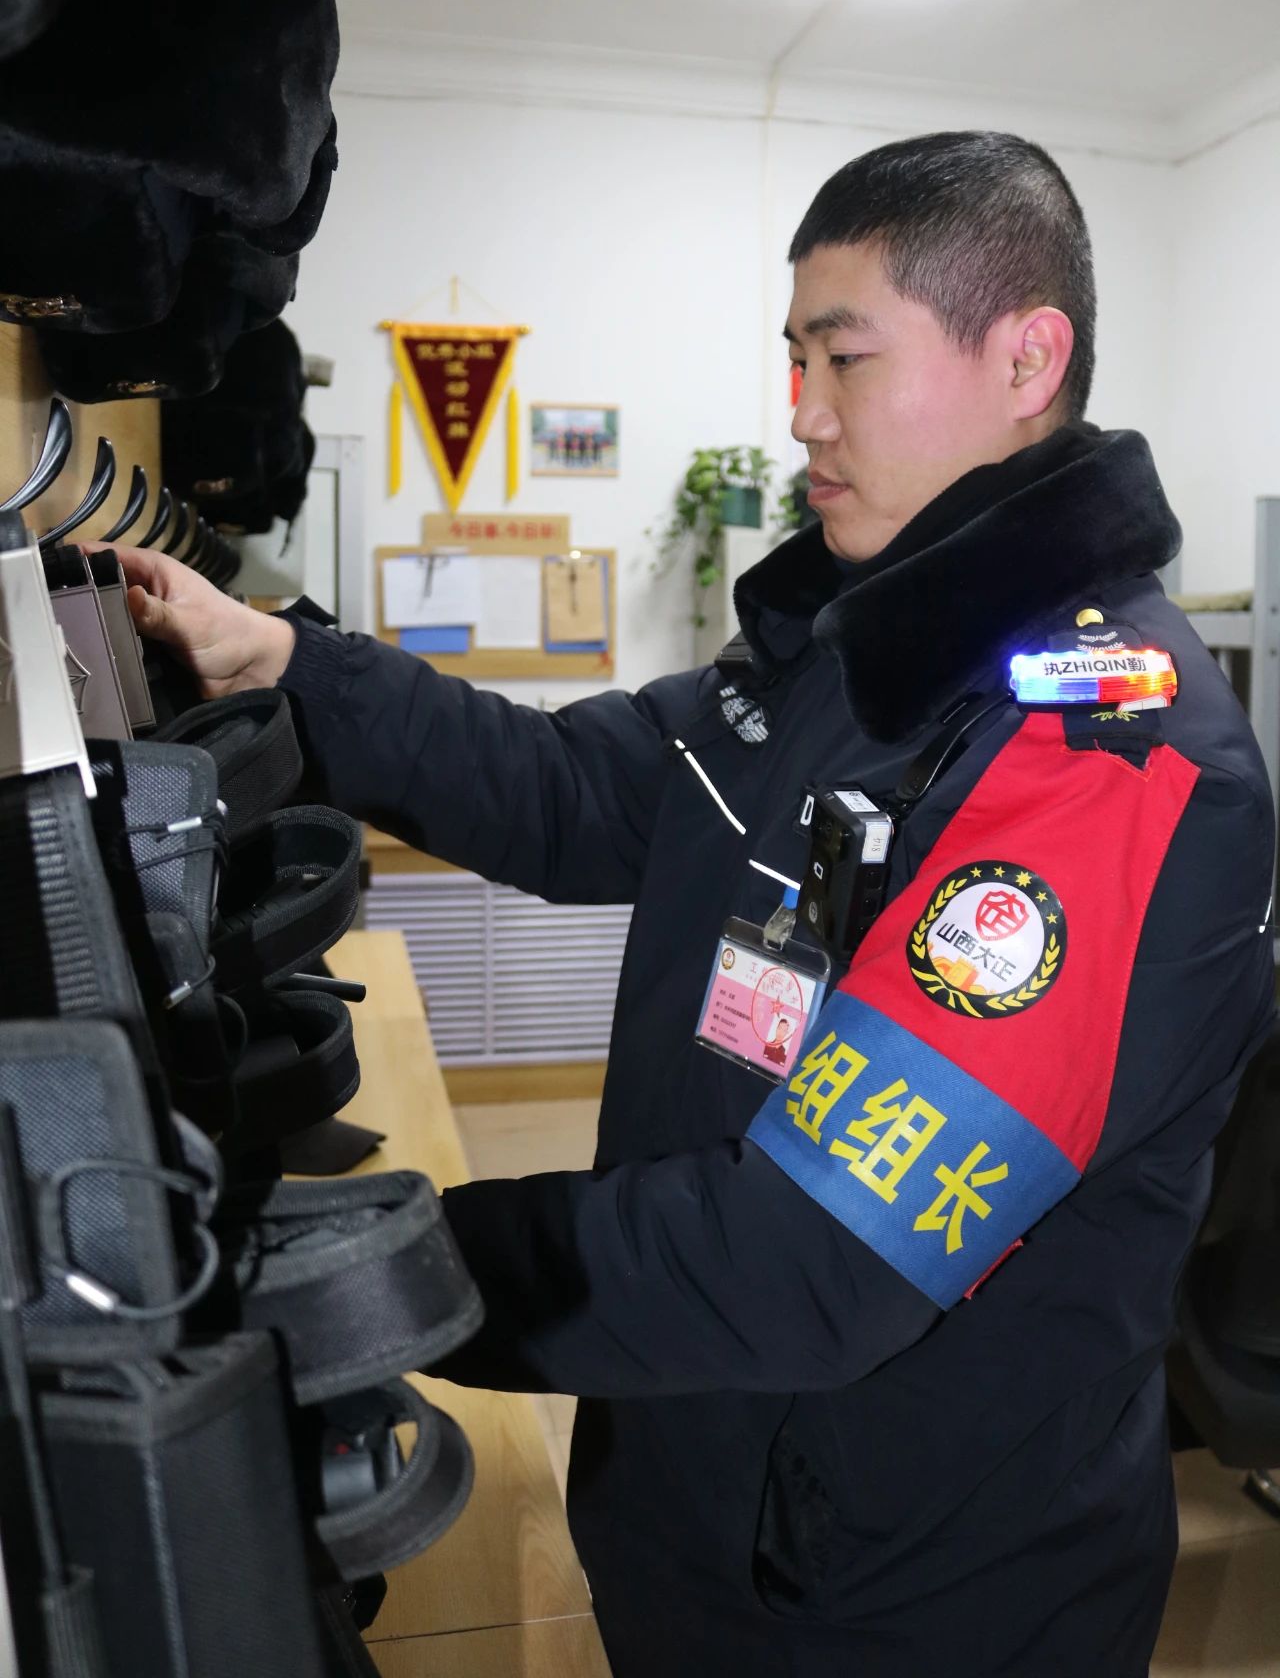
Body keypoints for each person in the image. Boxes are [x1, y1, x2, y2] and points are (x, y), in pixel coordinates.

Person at [112, 130, 1276, 1678]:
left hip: (911, 1601)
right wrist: (288, 668)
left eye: (845, 359)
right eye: (794, 359)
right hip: (706, 1509)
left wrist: (366, 1279)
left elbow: (812, 1253)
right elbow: (568, 788)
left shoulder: (1105, 758)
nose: (802, 412)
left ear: (1026, 359)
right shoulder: (854, 653)